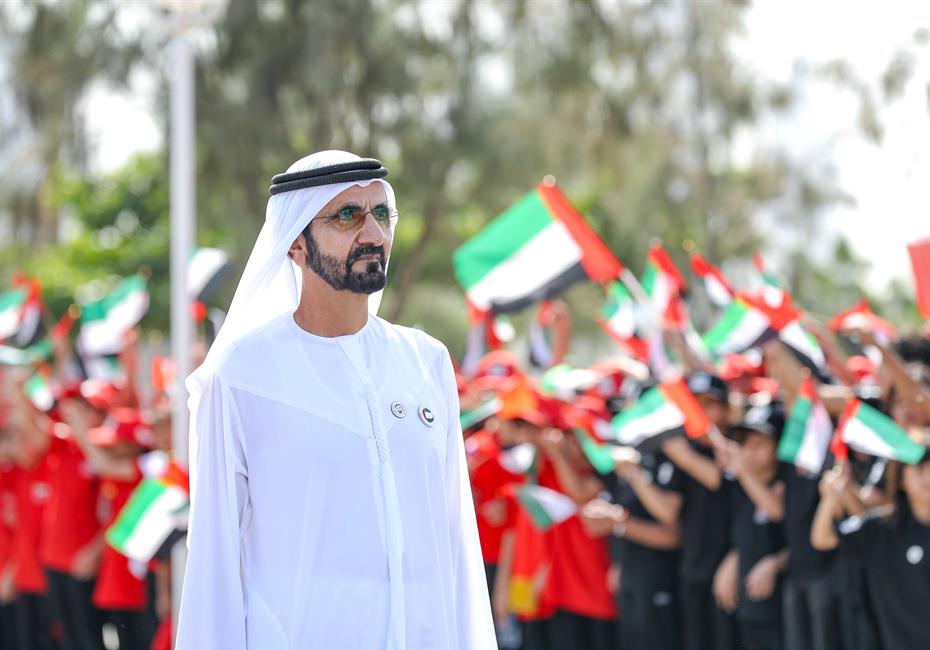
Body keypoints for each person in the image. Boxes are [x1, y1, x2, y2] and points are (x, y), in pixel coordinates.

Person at [176, 151, 495, 649]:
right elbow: (213, 568)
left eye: (380, 214)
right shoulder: (240, 376)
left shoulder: (425, 363)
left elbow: (458, 545)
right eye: (347, 215)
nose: (372, 233)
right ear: (295, 244)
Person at [715, 402, 789, 650]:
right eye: (744, 443)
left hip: (781, 607)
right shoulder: (741, 488)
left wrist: (775, 563)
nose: (749, 451)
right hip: (748, 605)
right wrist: (733, 558)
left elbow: (776, 512)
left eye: (759, 444)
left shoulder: (785, 483)